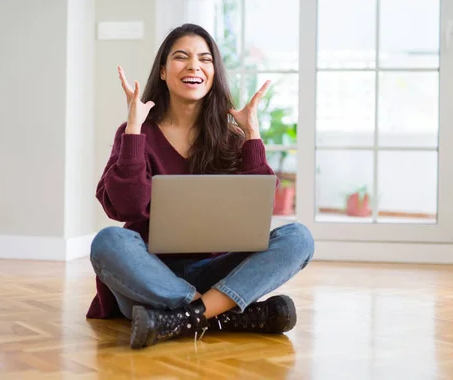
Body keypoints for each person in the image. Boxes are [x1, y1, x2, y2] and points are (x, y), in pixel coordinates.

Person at [87, 23, 315, 349]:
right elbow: (127, 207)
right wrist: (134, 128)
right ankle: (222, 314)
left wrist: (252, 134)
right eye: (182, 57)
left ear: (213, 72)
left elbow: (258, 210)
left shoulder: (231, 138)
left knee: (298, 238)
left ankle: (185, 318)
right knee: (108, 242)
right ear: (163, 72)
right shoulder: (135, 131)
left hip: (215, 272)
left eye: (204, 59)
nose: (194, 65)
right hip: (150, 276)